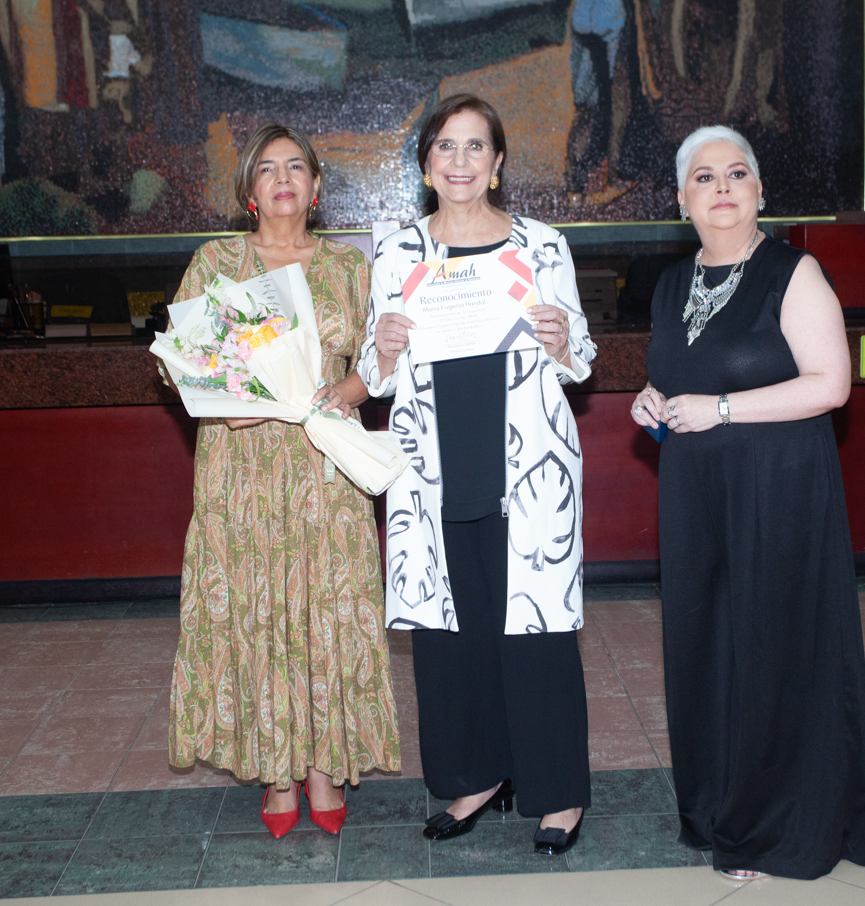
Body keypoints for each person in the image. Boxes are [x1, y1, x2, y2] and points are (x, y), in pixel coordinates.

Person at [630, 125, 865, 880]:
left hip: (778, 491)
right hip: (696, 493)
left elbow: (831, 385)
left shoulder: (792, 272)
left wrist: (723, 410)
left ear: (760, 191)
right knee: (705, 647)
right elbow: (678, 377)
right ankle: (717, 811)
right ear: (682, 199)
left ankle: (771, 827)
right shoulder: (671, 283)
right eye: (705, 177)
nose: (723, 187)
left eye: (737, 174)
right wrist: (651, 402)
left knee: (770, 648)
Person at [358, 93, 596, 856]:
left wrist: (561, 342)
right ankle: (476, 778)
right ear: (426, 165)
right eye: (445, 147)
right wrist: (383, 349)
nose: (459, 161)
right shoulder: (398, 254)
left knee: (536, 635)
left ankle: (558, 792)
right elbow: (374, 372)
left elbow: (582, 361)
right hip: (433, 470)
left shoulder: (542, 246)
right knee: (449, 639)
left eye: (475, 147)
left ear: (497, 163)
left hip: (528, 468)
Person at [168, 122, 400, 839]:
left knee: (325, 605)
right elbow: (177, 361)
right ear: (249, 189)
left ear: (317, 185)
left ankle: (324, 766)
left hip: (323, 464)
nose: (283, 178)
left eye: (296, 166)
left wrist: (348, 392)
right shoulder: (217, 263)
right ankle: (276, 772)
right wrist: (223, 395)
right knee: (258, 607)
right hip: (242, 467)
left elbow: (379, 364)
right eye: (267, 168)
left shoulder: (349, 268)